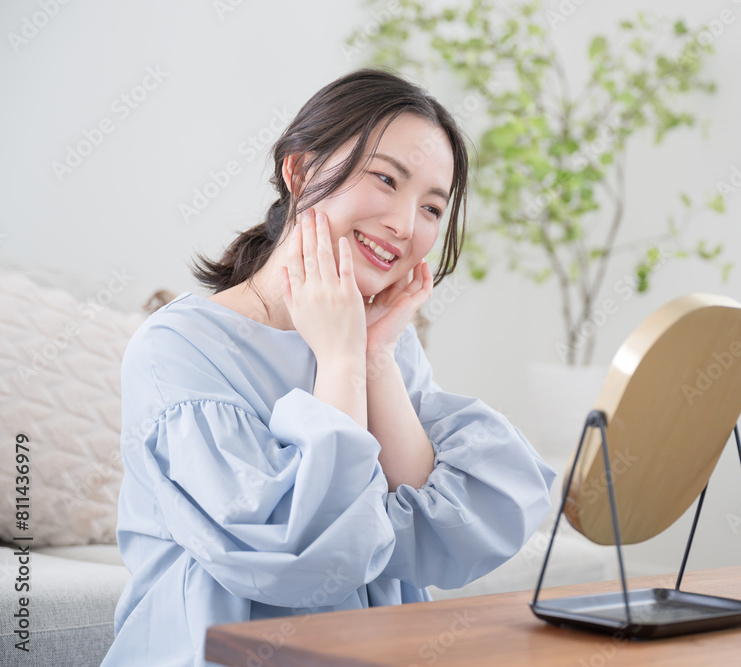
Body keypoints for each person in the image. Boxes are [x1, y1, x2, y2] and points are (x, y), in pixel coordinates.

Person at [101, 69, 557, 667]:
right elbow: (302, 558)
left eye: (431, 207)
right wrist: (341, 360)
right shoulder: (180, 347)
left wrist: (372, 356)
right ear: (298, 171)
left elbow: (435, 531)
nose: (403, 224)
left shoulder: (384, 343)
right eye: (386, 179)